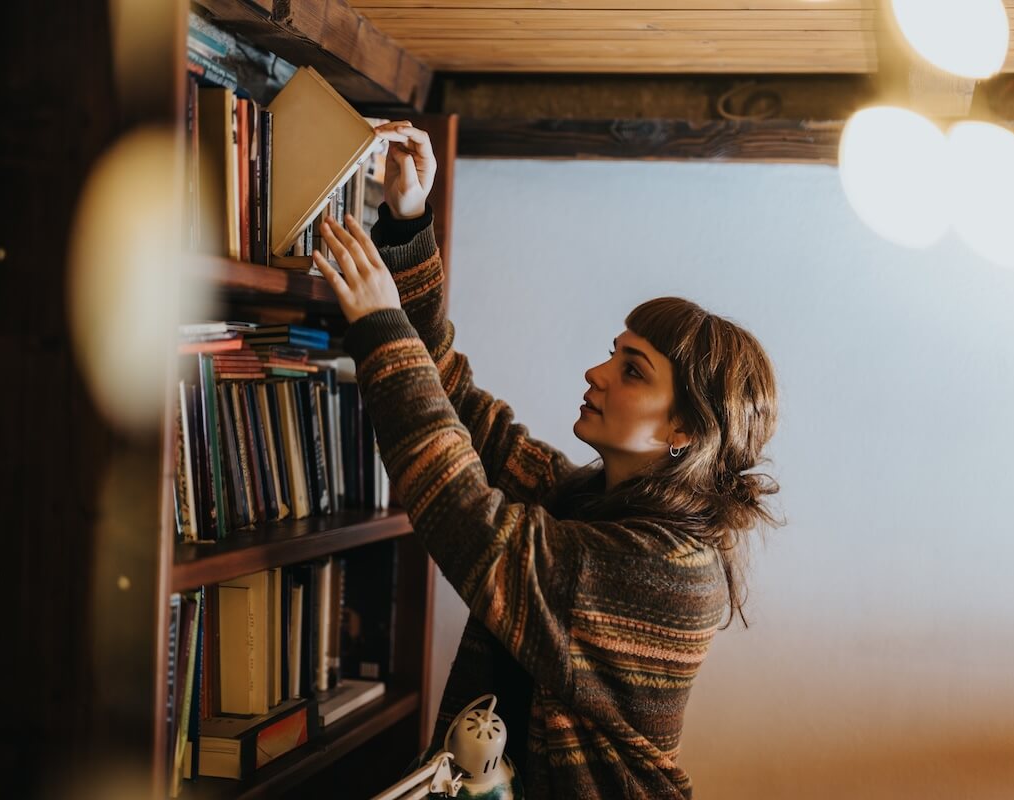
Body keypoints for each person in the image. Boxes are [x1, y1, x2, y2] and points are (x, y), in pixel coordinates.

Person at [311, 121, 780, 800]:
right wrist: (408, 219)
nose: (596, 372)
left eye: (632, 370)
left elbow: (468, 517)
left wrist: (383, 326)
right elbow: (465, 410)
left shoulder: (664, 569)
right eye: (612, 352)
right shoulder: (588, 504)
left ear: (685, 429)